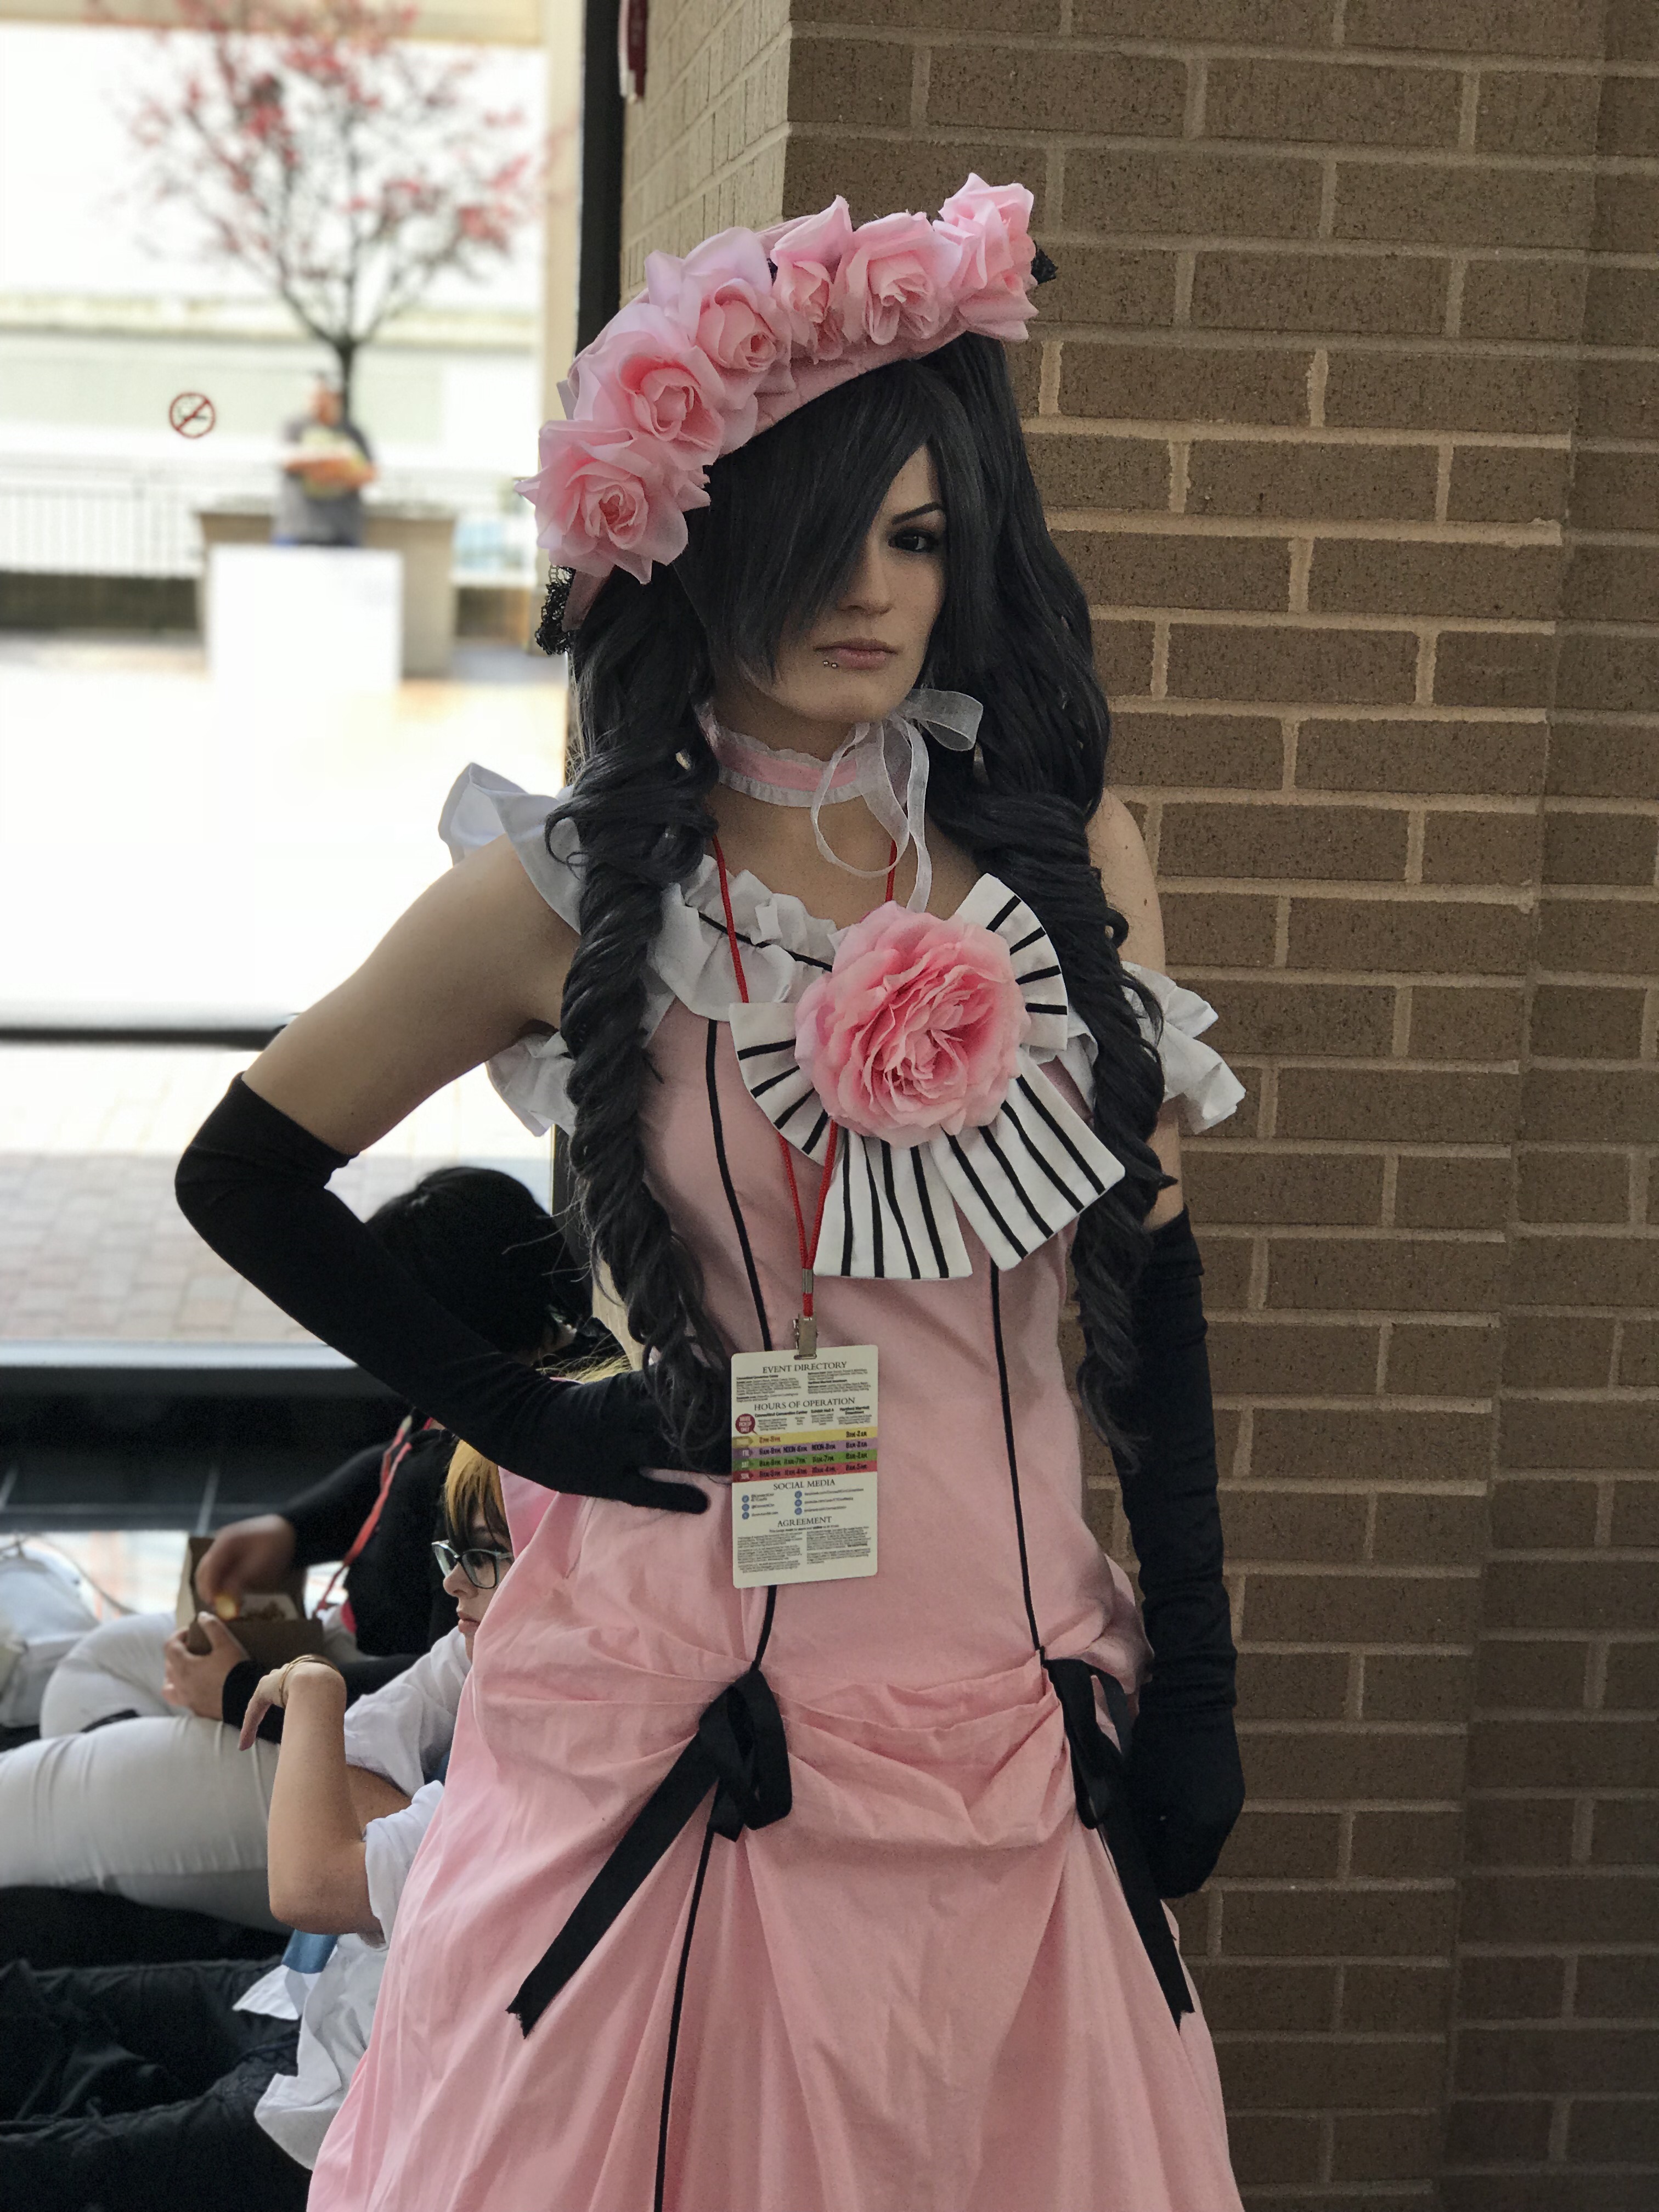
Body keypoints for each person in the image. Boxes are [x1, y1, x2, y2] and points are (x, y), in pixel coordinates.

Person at [176, 177, 1249, 2210]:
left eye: (918, 536)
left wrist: (1195, 1667)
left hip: (1014, 1710)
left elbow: (1154, 1280)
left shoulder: (1061, 852)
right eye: (818, 532)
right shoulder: (563, 892)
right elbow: (246, 1170)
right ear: (693, 533)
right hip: (682, 1718)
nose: (873, 590)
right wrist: (526, 1417)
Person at [0, 1166, 577, 1936]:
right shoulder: (502, 1378)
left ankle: (160, 1858)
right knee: (93, 1670)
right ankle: (152, 1852)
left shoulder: (513, 1473)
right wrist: (291, 1529)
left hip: (370, 1760)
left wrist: (241, 1694)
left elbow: (458, 1691)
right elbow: (395, 1461)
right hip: (343, 1683)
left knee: (24, 1807)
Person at [0, 1450, 511, 2212]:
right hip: (305, 1995)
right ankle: (134, 2023)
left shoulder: (552, 1752)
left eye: (486, 1558)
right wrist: (293, 1531)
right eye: (457, 1552)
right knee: (90, 1677)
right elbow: (358, 1762)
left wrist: (311, 1691)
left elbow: (313, 1883)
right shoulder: (481, 1651)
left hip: (333, 2113)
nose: (454, 1581)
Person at [273, 376, 376, 549]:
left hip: (341, 530)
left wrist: (334, 476)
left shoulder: (352, 432)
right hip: (297, 529)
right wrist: (332, 456)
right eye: (313, 397)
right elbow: (286, 459)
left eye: (322, 397)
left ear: (336, 398)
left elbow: (370, 473)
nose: (317, 402)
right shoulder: (295, 426)